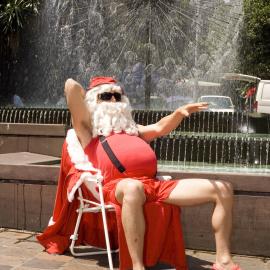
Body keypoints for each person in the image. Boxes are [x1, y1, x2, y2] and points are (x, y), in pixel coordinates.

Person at [39, 76, 241, 270]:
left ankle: (223, 260)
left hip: (154, 185)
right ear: (93, 101)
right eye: (106, 96)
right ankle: (137, 266)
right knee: (133, 188)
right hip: (115, 187)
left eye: (117, 96)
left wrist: (179, 113)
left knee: (223, 189)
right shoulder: (87, 130)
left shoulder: (134, 129)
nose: (112, 100)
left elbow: (161, 127)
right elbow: (70, 86)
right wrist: (92, 93)